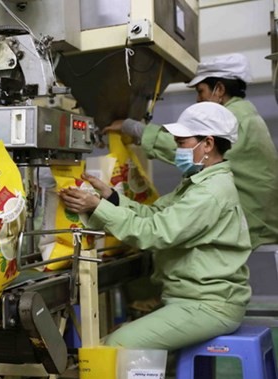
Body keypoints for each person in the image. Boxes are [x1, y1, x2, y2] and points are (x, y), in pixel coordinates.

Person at [59, 102, 251, 352]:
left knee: (116, 344)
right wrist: (110, 198)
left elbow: (154, 233)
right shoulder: (197, 183)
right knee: (148, 349)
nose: (177, 149)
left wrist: (97, 207)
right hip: (190, 298)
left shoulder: (210, 192)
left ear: (208, 144)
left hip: (208, 304)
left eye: (182, 142)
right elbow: (156, 215)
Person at [103, 53, 278, 250]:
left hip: (255, 227)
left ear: (219, 89)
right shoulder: (246, 114)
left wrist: (131, 127)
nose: (198, 99)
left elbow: (156, 232)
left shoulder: (234, 120)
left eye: (201, 91)